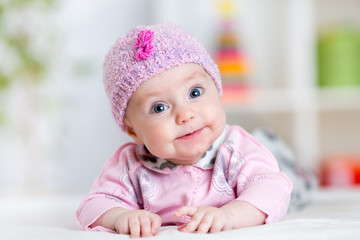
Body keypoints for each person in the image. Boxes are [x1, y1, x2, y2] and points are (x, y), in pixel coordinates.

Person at [76, 23, 294, 238]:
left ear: (217, 90)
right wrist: (120, 216)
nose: (186, 114)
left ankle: (280, 151)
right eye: (159, 108)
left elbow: (273, 188)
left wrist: (229, 215)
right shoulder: (131, 166)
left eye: (195, 93)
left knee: (288, 175)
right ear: (134, 132)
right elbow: (92, 206)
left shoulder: (236, 150)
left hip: (275, 162)